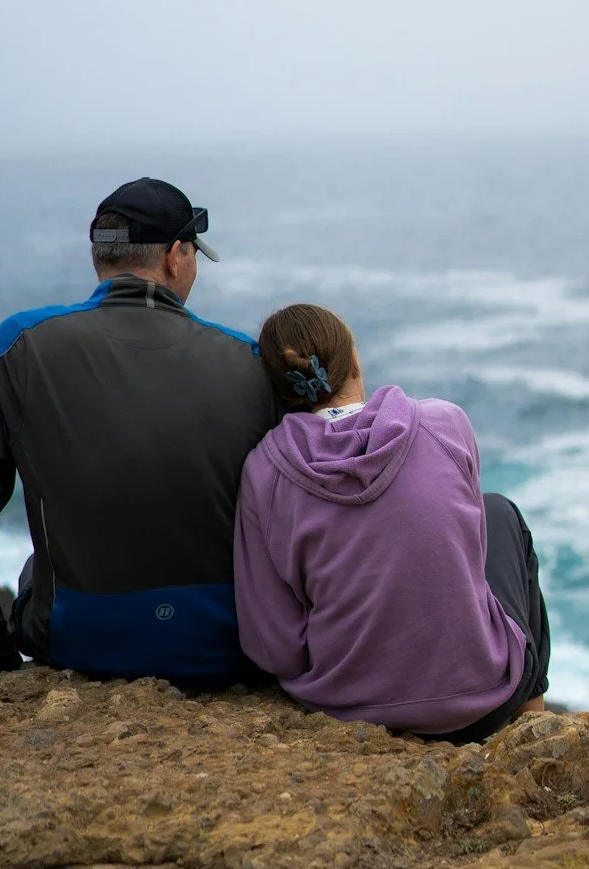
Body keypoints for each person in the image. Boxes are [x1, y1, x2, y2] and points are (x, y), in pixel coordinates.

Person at [0, 178, 277, 687]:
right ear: (177, 256)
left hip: (77, 641)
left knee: (36, 572)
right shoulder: (249, 361)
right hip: (228, 645)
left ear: (100, 258)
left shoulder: (19, 345)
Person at [233, 302, 550, 738]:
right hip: (482, 704)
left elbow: (275, 646)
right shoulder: (445, 422)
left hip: (346, 712)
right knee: (499, 511)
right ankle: (534, 725)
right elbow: (468, 558)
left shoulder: (264, 471)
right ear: (355, 362)